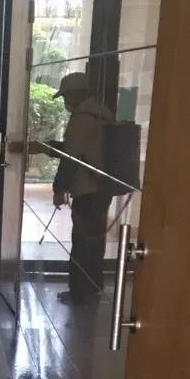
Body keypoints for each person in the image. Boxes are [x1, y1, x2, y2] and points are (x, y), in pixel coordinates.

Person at [49, 72, 113, 304]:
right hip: (103, 187)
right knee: (95, 241)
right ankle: (93, 287)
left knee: (82, 242)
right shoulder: (103, 113)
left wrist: (59, 189)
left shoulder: (81, 119)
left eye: (67, 96)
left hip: (87, 189)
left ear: (77, 94)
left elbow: (71, 159)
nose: (66, 101)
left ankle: (78, 292)